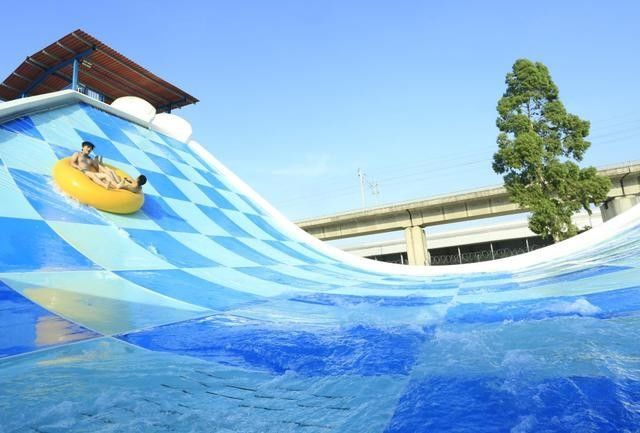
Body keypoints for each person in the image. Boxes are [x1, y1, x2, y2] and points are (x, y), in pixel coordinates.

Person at [70, 141, 145, 193]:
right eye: (88, 147)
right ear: (83, 147)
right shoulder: (77, 154)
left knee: (106, 175)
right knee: (93, 175)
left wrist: (97, 162)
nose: (89, 149)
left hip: (90, 172)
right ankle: (105, 185)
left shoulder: (90, 159)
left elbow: (97, 168)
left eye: (91, 148)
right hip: (84, 171)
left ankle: (117, 186)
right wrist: (78, 168)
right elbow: (72, 162)